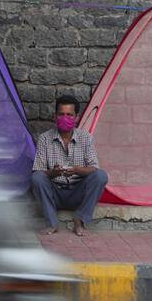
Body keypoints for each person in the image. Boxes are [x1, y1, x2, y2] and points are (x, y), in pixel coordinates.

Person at [31, 95, 108, 236]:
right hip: (55, 193)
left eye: (69, 115)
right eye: (61, 114)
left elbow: (93, 167)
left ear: (76, 117)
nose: (64, 118)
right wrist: (54, 172)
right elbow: (39, 171)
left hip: (77, 193)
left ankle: (80, 219)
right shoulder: (44, 138)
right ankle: (52, 223)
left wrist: (77, 170)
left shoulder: (86, 138)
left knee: (101, 176)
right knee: (37, 178)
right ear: (55, 116)